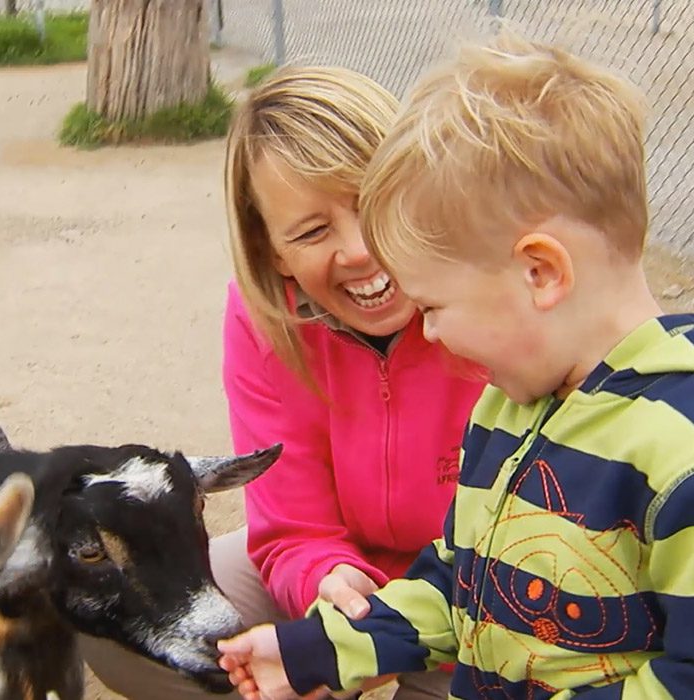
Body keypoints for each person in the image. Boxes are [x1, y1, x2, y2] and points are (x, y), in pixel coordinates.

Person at [217, 29, 694, 700]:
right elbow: (456, 580)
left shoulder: (675, 451)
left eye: (435, 305)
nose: (430, 332)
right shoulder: (507, 412)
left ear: (541, 272)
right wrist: (313, 652)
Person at [80, 66, 485, 700]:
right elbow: (292, 525)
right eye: (312, 231)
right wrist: (330, 583)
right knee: (124, 621)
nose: (360, 250)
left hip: (483, 584)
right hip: (351, 576)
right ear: (272, 251)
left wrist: (382, 639)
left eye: (376, 203)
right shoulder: (263, 318)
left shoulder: (492, 295)